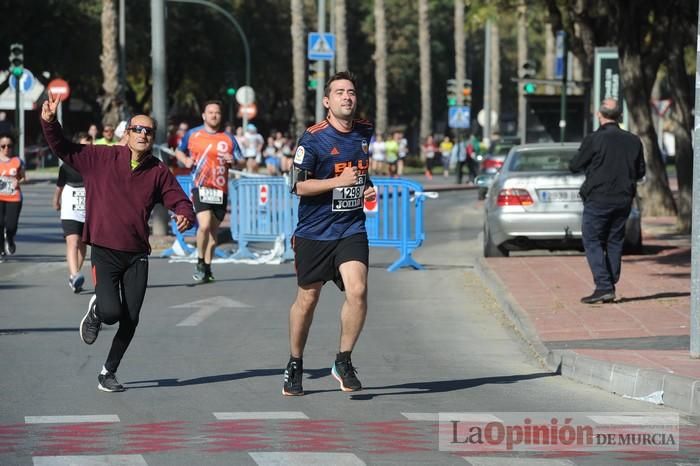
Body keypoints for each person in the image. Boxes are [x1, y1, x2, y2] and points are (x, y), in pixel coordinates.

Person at [41, 92, 195, 392]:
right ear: (127, 133)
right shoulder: (101, 157)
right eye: (138, 129)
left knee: (131, 318)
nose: (144, 134)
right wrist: (49, 122)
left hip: (136, 254)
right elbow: (64, 148)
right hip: (105, 250)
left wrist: (184, 213)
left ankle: (107, 372)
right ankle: (97, 310)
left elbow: (178, 198)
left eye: (149, 131)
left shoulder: (158, 171)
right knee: (112, 312)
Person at [283, 71, 375, 396]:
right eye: (339, 92)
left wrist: (367, 188)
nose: (347, 97)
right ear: (327, 101)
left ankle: (343, 359)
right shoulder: (313, 138)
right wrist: (337, 182)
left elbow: (361, 172)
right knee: (308, 299)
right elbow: (296, 184)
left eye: (351, 92)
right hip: (314, 232)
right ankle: (295, 362)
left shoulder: (365, 130)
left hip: (351, 228)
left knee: (359, 290)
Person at [569, 98, 646, 304]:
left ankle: (603, 285)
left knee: (592, 239)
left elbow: (575, 165)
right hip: (623, 199)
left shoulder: (594, 139)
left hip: (598, 198)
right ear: (619, 116)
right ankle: (609, 284)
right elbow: (640, 172)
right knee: (614, 240)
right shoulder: (633, 140)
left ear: (599, 114)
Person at [174, 101, 242, 283]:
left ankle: (208, 267)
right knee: (203, 226)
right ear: (204, 115)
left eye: (217, 113)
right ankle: (199, 262)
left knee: (213, 234)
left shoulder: (228, 138)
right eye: (210, 112)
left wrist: (232, 160)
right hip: (200, 187)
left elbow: (240, 159)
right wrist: (185, 160)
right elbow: (178, 151)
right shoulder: (193, 134)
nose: (214, 115)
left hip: (220, 190)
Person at [52, 132, 92, 292]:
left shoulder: (95, 164)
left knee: (83, 244)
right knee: (73, 241)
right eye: (84, 145)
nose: (87, 148)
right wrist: (56, 200)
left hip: (88, 210)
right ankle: (75, 275)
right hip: (70, 209)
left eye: (90, 145)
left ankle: (74, 275)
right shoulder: (67, 165)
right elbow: (59, 186)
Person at [0, 133, 25, 262]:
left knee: (11, 225)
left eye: (9, 146)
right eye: (3, 146)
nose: (6, 149)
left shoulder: (17, 161)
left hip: (14, 197)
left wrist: (17, 182)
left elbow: (23, 178)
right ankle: (1, 251)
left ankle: (9, 238)